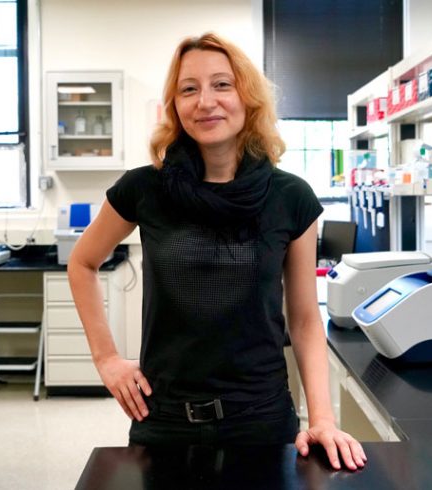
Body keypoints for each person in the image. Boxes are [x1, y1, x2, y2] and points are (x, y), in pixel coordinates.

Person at [68, 32, 366, 471]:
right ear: (175, 105)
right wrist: (106, 359)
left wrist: (322, 418)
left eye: (222, 85)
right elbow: (82, 261)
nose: (205, 101)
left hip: (261, 419)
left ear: (248, 97)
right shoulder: (144, 188)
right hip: (164, 416)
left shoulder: (290, 197)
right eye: (189, 89)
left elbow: (304, 318)